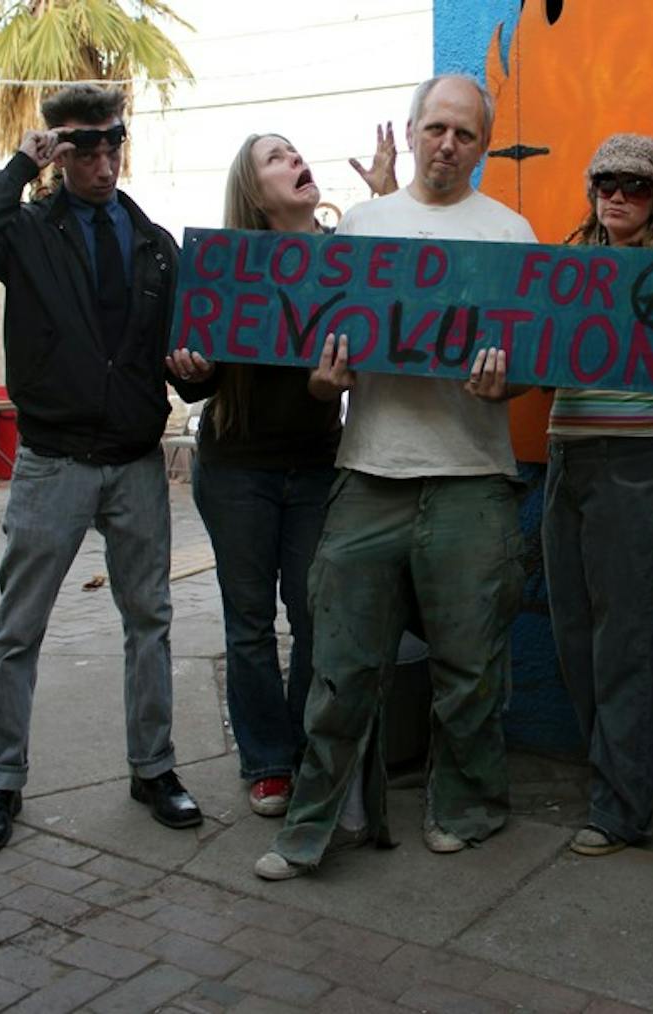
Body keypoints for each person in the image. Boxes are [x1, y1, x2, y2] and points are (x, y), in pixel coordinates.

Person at [254, 73, 537, 880]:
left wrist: (504, 384)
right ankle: (312, 827)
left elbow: (530, 369)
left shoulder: (512, 234)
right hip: (370, 471)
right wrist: (326, 381)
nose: (448, 145)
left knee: (471, 665)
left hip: (474, 476)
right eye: (436, 128)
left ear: (483, 143)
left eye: (466, 134)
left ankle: (468, 808)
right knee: (339, 665)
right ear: (412, 131)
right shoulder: (363, 228)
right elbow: (316, 368)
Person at [0, 84, 202, 852]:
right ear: (55, 150)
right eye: (83, 145)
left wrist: (199, 370)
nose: (102, 158)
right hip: (52, 464)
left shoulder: (152, 241)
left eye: (113, 142)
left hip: (133, 463)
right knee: (19, 628)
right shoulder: (25, 228)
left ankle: (154, 769)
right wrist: (18, 165)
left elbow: (189, 366)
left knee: (149, 621)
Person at [166, 127, 398, 819]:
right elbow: (194, 379)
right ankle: (267, 761)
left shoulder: (341, 256)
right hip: (236, 470)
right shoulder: (222, 267)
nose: (296, 159)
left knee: (312, 614)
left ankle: (305, 749)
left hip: (316, 469)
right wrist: (190, 368)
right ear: (254, 191)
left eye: (296, 151)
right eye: (276, 157)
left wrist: (385, 196)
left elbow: (396, 292)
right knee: (248, 622)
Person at [542, 134, 653, 858]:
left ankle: (621, 808)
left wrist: (648, 348)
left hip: (640, 459)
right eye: (605, 180)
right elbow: (536, 367)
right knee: (572, 630)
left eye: (635, 184)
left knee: (625, 637)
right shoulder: (565, 269)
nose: (617, 193)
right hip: (565, 455)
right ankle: (627, 774)